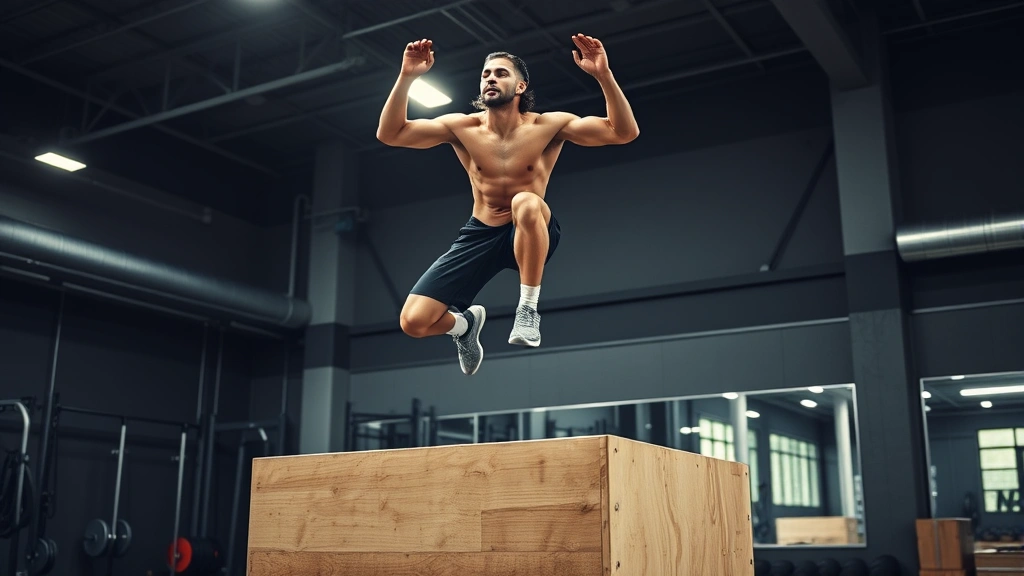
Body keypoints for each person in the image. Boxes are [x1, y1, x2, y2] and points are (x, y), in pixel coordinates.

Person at [376, 34, 639, 375]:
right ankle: (465, 327)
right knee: (414, 322)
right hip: (480, 233)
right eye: (486, 74)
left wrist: (603, 75)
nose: (490, 79)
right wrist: (407, 76)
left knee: (526, 201)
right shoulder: (462, 127)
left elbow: (623, 132)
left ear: (519, 86)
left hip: (531, 227)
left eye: (500, 73)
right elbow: (391, 133)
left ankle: (528, 310)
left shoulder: (549, 125)